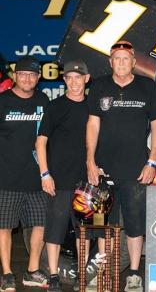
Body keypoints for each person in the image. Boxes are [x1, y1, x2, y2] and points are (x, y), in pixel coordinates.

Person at [86, 40, 156, 292]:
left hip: (136, 170)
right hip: (103, 170)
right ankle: (103, 273)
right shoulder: (98, 86)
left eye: (125, 58)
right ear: (110, 62)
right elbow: (93, 125)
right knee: (102, 224)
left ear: (133, 62)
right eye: (116, 58)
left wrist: (152, 161)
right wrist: (90, 161)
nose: (121, 63)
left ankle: (133, 274)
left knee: (134, 224)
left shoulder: (147, 87)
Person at [35, 60, 102, 292]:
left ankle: (82, 276)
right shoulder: (54, 107)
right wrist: (45, 174)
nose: (73, 82)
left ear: (87, 78)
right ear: (64, 80)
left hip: (86, 181)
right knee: (54, 229)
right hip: (59, 180)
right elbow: (40, 142)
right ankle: (53, 275)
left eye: (78, 77)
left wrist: (98, 166)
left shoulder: (94, 107)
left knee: (85, 231)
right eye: (69, 78)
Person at [0, 56, 50, 290]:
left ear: (38, 78)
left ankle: (32, 270)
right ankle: (7, 273)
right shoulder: (3, 102)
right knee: (4, 227)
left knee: (40, 224)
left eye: (32, 75)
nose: (27, 78)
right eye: (22, 74)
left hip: (36, 177)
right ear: (15, 76)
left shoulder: (43, 100)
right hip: (6, 177)